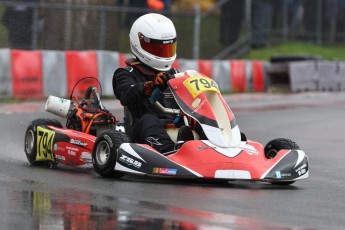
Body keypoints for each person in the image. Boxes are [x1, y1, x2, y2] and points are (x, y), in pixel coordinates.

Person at [112, 13, 193, 154]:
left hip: (175, 123)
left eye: (168, 48)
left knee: (195, 119)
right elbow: (126, 94)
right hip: (140, 129)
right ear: (139, 43)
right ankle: (168, 151)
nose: (164, 54)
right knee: (149, 119)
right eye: (158, 49)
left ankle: (222, 144)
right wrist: (151, 85)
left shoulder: (175, 73)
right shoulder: (126, 73)